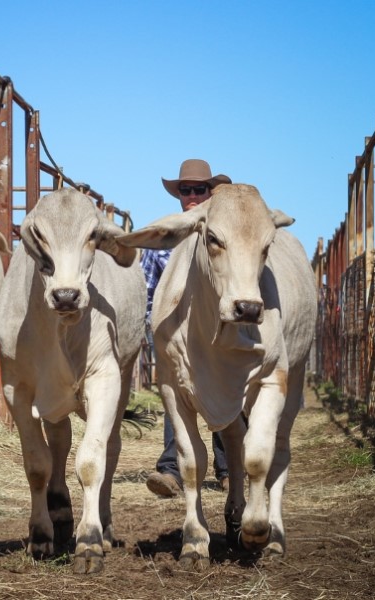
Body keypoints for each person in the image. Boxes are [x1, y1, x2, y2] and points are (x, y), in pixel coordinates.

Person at [143, 159, 231, 498]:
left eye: (199, 189)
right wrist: (153, 329)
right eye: (186, 190)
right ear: (178, 195)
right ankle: (172, 469)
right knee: (177, 393)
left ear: (211, 191)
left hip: (217, 329)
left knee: (223, 392)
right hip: (175, 330)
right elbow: (146, 288)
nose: (192, 195)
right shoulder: (167, 235)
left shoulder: (225, 233)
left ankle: (226, 469)